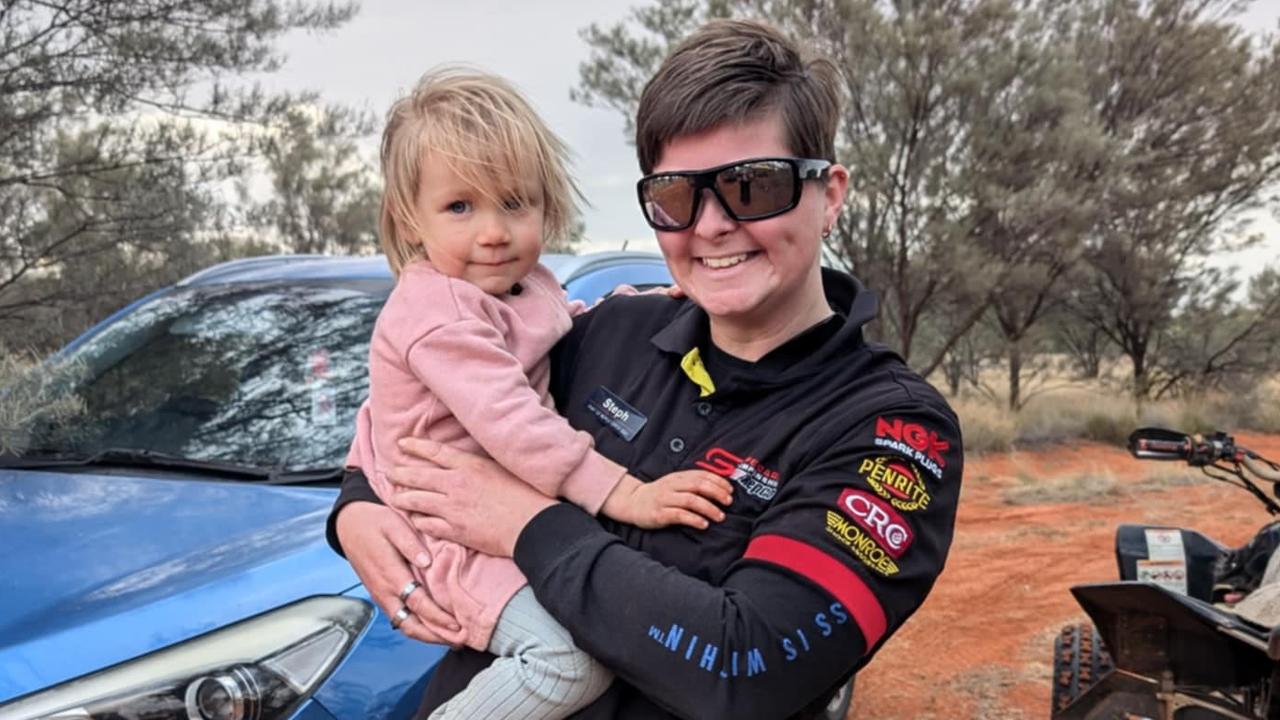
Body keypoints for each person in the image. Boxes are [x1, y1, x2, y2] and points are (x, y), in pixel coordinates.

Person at [329, 19, 964, 720]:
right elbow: (432, 395)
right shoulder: (609, 332)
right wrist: (355, 504)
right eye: (675, 196)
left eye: (752, 187)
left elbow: (745, 670)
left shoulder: (894, 431)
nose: (711, 225)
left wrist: (526, 523)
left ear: (831, 194)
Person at [347, 67, 735, 720]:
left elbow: (552, 328)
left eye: (515, 203)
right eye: (460, 207)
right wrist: (627, 494)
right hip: (449, 536)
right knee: (568, 662)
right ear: (408, 217)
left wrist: (633, 305)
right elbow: (512, 423)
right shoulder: (436, 313)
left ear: (546, 207)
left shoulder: (519, 288)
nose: (493, 231)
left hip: (494, 524)